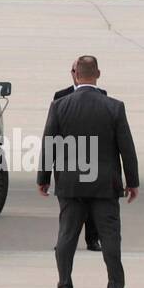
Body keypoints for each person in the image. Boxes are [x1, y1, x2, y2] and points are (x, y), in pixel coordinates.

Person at [37, 56, 140, 288]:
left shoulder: (59, 106)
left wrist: (44, 178)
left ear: (76, 75)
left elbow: (49, 143)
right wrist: (132, 181)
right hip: (105, 185)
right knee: (111, 239)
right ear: (98, 74)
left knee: (66, 238)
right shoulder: (114, 107)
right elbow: (126, 148)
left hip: (70, 184)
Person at [50, 71, 108, 252]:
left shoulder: (101, 95)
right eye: (74, 71)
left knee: (92, 201)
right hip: (66, 155)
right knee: (67, 204)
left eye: (79, 70)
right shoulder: (60, 96)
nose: (76, 74)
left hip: (90, 154)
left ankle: (92, 239)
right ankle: (65, 240)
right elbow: (53, 128)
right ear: (72, 73)